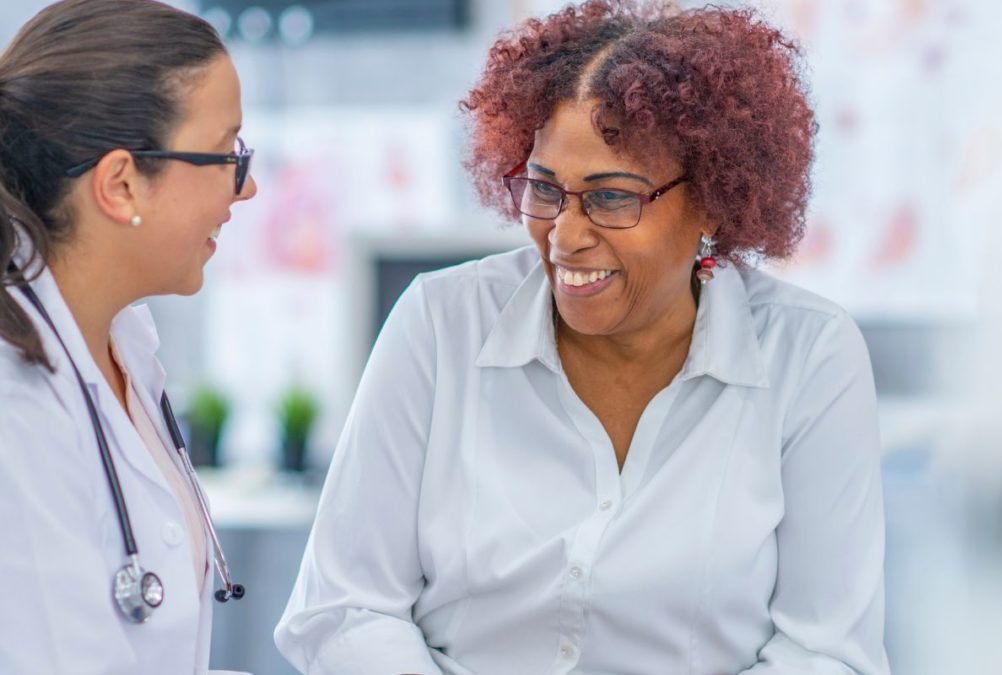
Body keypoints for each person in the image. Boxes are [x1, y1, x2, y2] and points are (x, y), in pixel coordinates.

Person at [275, 1, 888, 673]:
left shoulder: (809, 356)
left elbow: (825, 652)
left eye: (612, 196)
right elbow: (343, 608)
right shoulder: (440, 324)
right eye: (545, 189)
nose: (564, 236)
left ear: (714, 200)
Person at [0, 1, 256, 673]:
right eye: (227, 155)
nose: (248, 186)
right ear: (120, 185)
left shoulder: (125, 348)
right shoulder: (14, 403)